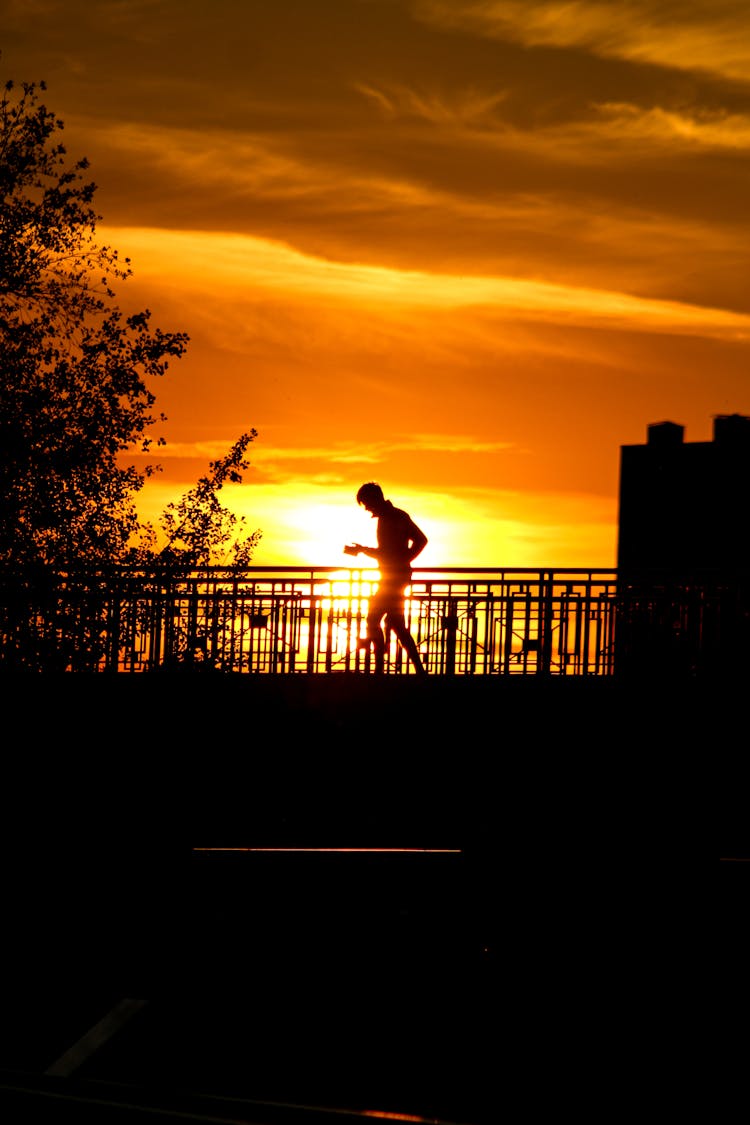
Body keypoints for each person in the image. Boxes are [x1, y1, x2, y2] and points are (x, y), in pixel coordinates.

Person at [344, 482, 427, 674]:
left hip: (394, 578)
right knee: (397, 625)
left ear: (375, 499)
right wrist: (403, 559)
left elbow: (389, 552)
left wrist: (402, 558)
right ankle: (419, 670)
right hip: (394, 575)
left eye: (366, 503)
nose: (366, 508)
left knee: (373, 618)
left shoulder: (392, 517)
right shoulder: (395, 515)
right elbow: (413, 543)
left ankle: (380, 669)